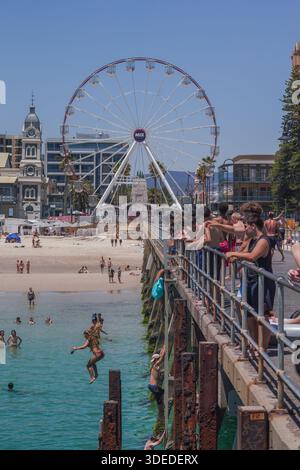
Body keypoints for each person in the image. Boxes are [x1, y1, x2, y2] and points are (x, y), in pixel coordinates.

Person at [226, 214, 276, 353]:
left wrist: (233, 254)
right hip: (251, 279)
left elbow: (252, 256)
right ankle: (254, 342)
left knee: (263, 314)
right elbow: (247, 254)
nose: (245, 229)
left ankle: (262, 348)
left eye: (247, 226)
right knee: (250, 313)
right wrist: (236, 258)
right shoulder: (253, 240)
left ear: (253, 226)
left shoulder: (264, 241)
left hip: (263, 282)